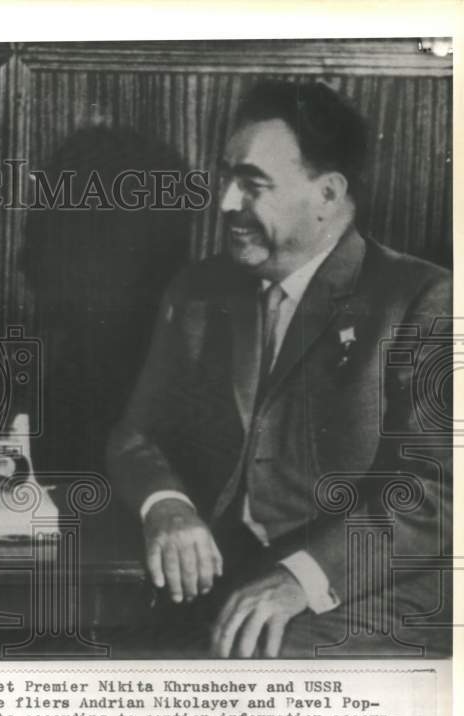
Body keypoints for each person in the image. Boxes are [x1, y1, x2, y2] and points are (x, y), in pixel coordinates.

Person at [106, 80, 451, 658]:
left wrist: (302, 579)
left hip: (368, 593)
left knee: (252, 668)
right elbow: (137, 433)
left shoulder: (422, 299)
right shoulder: (199, 291)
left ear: (328, 193)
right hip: (225, 584)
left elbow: (436, 492)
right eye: (226, 178)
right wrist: (166, 505)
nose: (225, 204)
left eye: (253, 185)